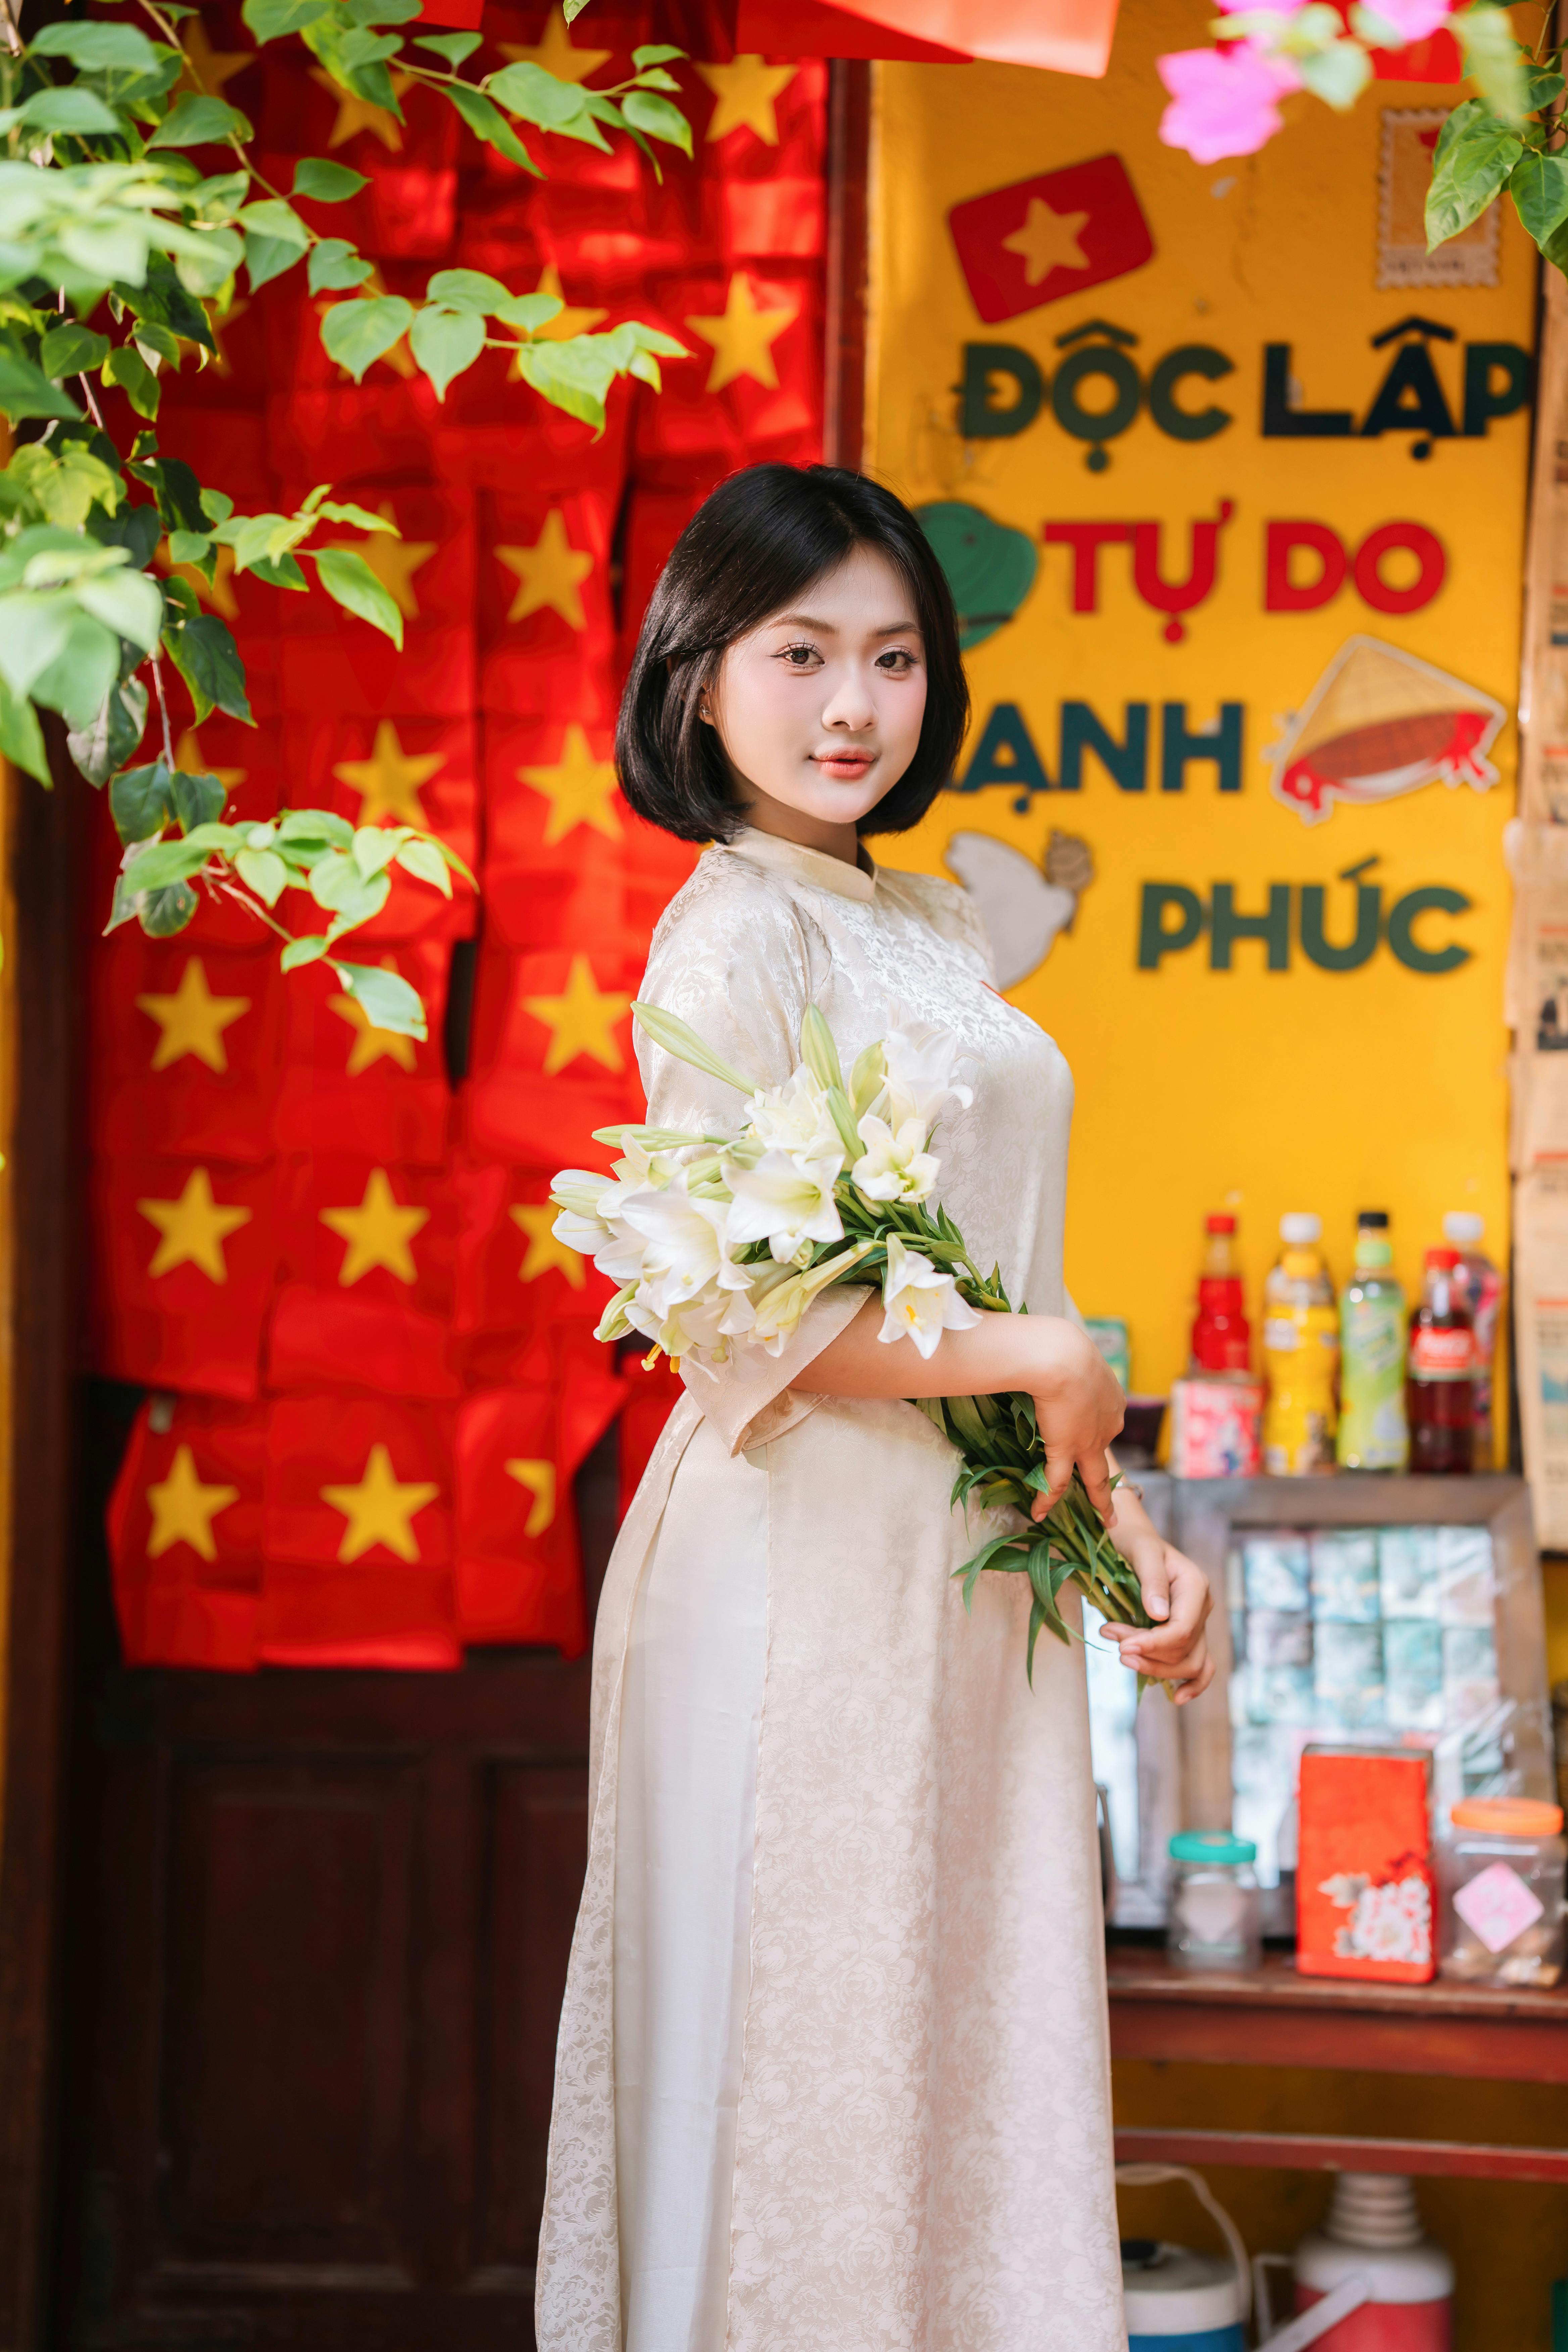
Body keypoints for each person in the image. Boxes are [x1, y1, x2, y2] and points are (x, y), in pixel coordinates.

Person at [535, 463, 1215, 2352]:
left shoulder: (919, 918)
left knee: (947, 2047)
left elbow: (1002, 1280)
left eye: (897, 659)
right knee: (807, 2043)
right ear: (697, 676)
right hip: (792, 1567)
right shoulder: (732, 932)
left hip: (965, 1570)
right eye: (803, 652)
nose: (854, 708)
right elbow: (722, 1318)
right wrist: (1043, 1366)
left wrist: (1119, 1524)